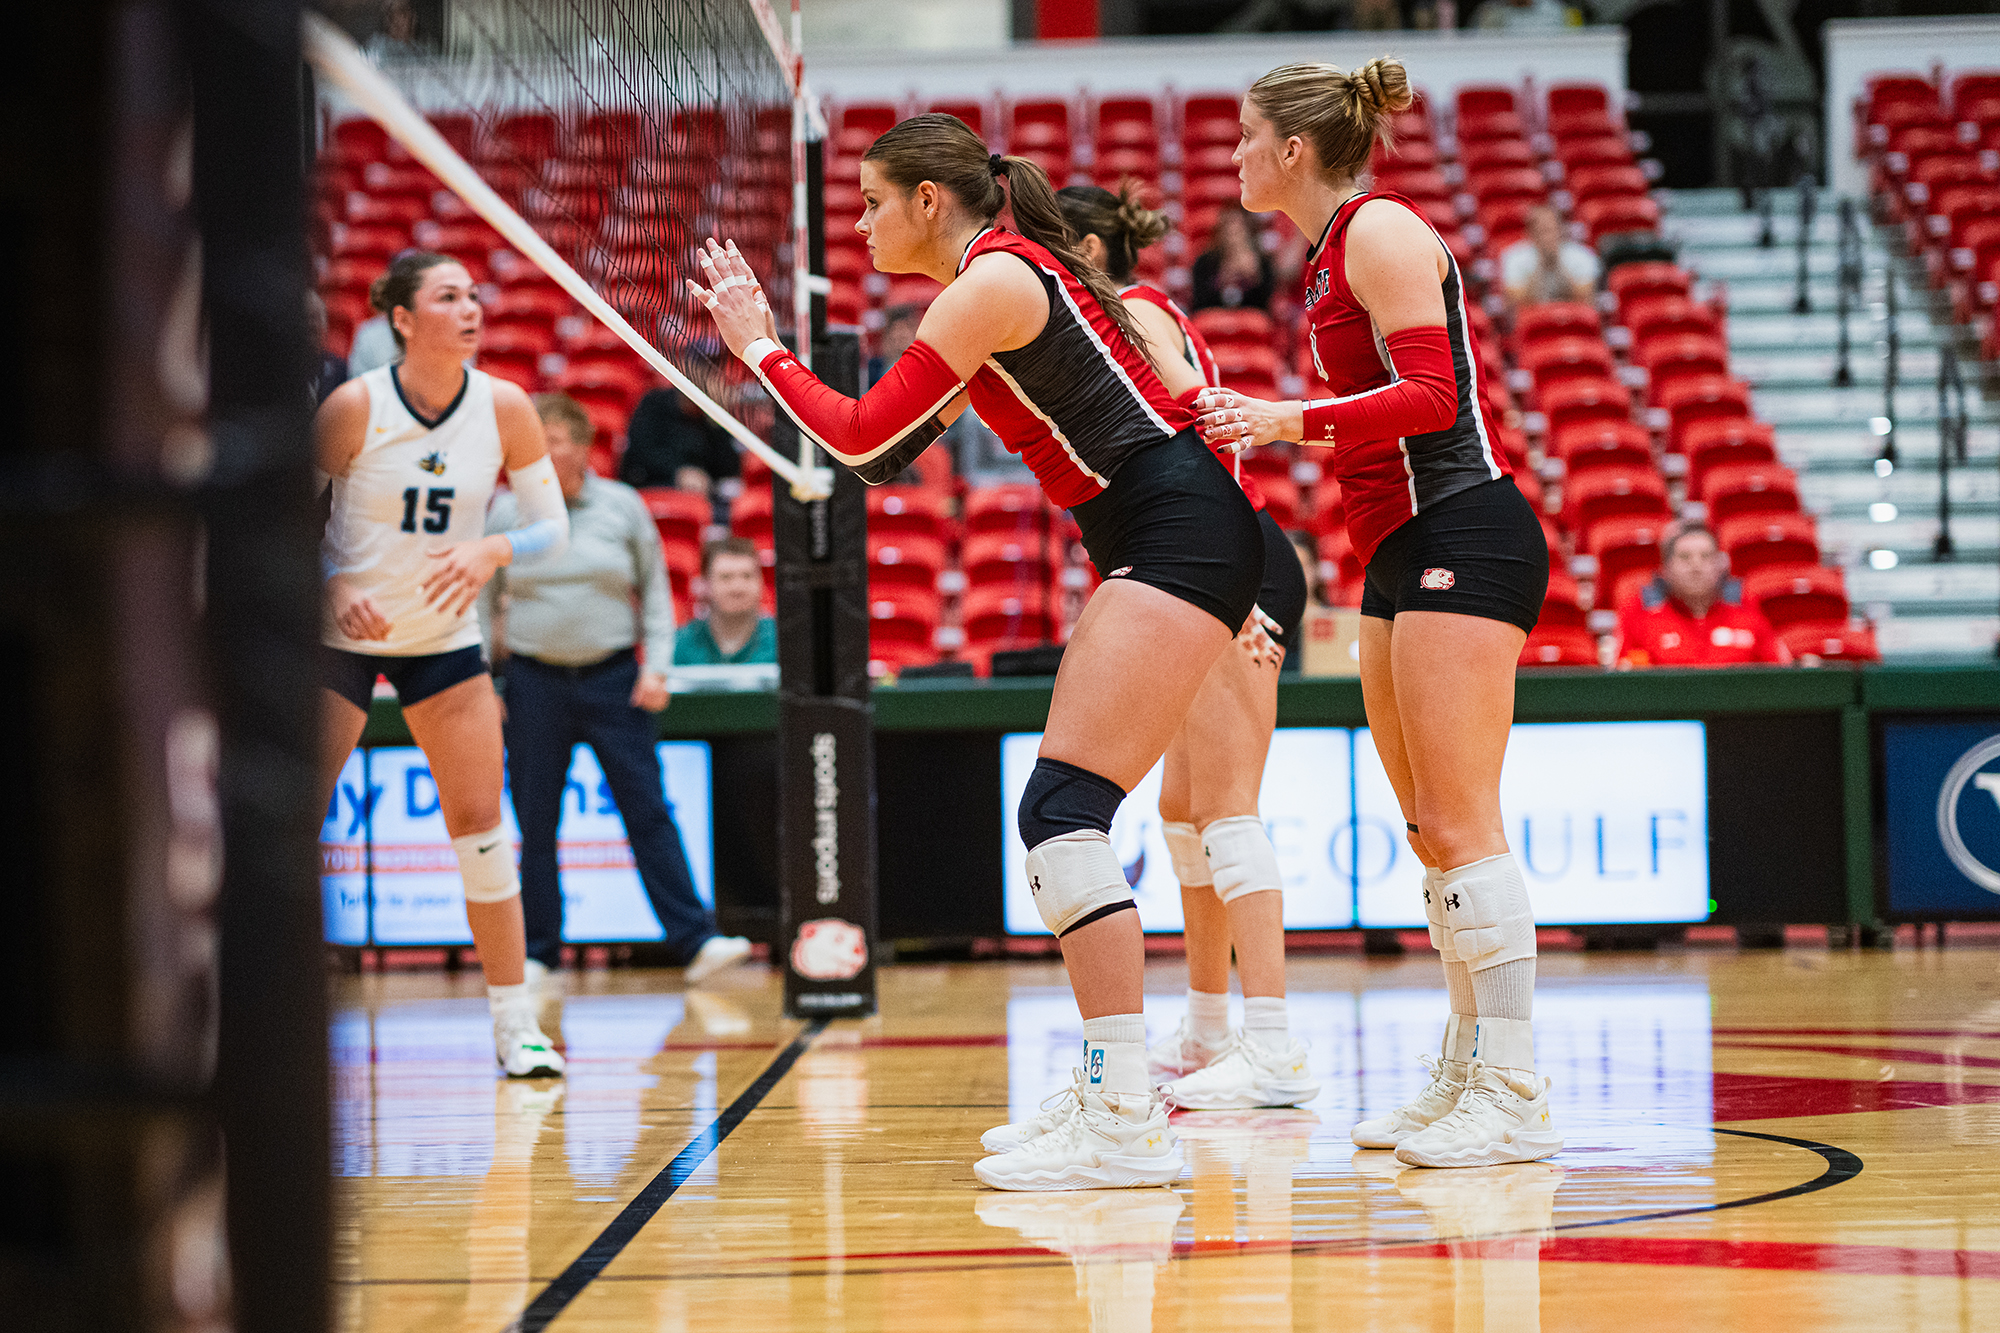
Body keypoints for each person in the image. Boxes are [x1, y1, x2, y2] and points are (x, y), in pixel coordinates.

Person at [688, 112, 1265, 1191]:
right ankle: (1115, 1096)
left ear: (924, 201)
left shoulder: (992, 282)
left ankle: (1122, 1111)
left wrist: (758, 341)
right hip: (1175, 533)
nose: (855, 225)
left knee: (1061, 812)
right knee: (1066, 812)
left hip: (1177, 534)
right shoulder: (995, 285)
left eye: (866, 204)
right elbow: (880, 456)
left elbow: (855, 433)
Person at [1193, 58, 1562, 1169]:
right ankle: (1463, 1069)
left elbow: (1435, 401)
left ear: (1293, 150)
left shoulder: (1381, 230)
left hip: (1466, 534)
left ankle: (1512, 1084)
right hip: (1400, 551)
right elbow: (1369, 422)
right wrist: (1274, 430)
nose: (1233, 156)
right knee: (1423, 831)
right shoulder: (1320, 258)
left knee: (1460, 822)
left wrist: (1276, 414)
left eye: (1246, 137)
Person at [1058, 181, 1317, 1111]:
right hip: (1218, 553)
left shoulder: (1128, 312)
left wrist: (1229, 573)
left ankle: (1274, 1046)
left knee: (1228, 809)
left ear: (1086, 248)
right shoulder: (1139, 307)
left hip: (1227, 557)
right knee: (1183, 809)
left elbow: (1192, 407)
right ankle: (1209, 1028)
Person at [314, 250, 571, 1078]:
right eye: (448, 296)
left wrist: (494, 545)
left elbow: (550, 526)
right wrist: (334, 580)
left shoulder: (505, 405)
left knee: (484, 836)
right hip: (340, 642)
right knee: (285, 831)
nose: (471, 309)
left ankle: (515, 1026)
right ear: (401, 317)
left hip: (444, 643)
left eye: (474, 296)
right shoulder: (354, 406)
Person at [480, 392, 754, 989]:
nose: (545, 453)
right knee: (535, 821)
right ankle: (540, 953)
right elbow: (480, 600)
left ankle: (696, 941)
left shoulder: (622, 506)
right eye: (535, 442)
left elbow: (656, 592)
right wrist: (484, 679)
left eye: (555, 440)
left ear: (581, 446)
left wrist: (657, 667)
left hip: (613, 679)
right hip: (532, 681)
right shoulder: (504, 513)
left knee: (648, 813)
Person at [1615, 521, 1791, 667]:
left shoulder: (1745, 607)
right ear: (1665, 568)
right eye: (1685, 557)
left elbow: (1778, 674)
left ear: (1719, 566)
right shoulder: (1638, 612)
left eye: (1705, 556)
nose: (1696, 566)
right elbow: (1626, 683)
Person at [673, 537, 777, 665]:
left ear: (761, 582)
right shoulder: (680, 645)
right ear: (705, 583)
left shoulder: (782, 642)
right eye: (726, 577)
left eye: (747, 576)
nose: (737, 587)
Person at [621, 384, 741, 494]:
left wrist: (715, 423)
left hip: (705, 492)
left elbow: (729, 468)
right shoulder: (654, 403)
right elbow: (640, 451)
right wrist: (677, 473)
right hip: (657, 483)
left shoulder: (712, 417)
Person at [1499, 204, 1599, 312]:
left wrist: (1558, 264)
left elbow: (1585, 303)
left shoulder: (1583, 256)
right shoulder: (1513, 258)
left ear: (1561, 230)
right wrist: (1541, 264)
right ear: (1530, 233)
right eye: (1542, 231)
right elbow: (1516, 305)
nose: (1548, 237)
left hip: (1571, 319)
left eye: (1551, 229)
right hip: (1533, 321)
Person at [1190, 204, 1276, 313]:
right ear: (1219, 231)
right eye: (1228, 226)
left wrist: (1254, 277)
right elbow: (1199, 302)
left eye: (1238, 226)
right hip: (1214, 317)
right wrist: (1225, 277)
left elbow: (1265, 303)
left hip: (1250, 317)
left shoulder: (1262, 262)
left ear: (1247, 230)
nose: (1232, 232)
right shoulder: (1205, 262)